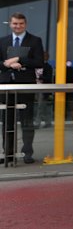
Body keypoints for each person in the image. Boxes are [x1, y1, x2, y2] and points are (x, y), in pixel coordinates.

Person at [0, 12, 44, 165]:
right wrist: (8, 64)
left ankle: (27, 153)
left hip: (25, 85)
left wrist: (19, 59)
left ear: (25, 24)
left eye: (20, 24)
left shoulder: (35, 40)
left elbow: (39, 62)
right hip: (6, 86)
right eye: (15, 24)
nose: (17, 26)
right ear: (10, 24)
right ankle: (8, 154)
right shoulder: (3, 41)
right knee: (7, 121)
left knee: (27, 121)